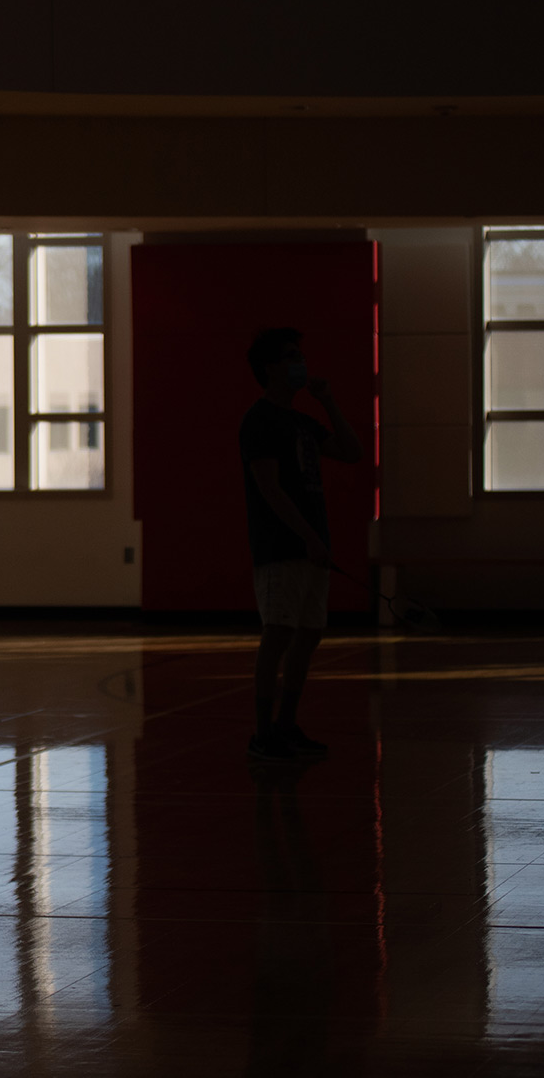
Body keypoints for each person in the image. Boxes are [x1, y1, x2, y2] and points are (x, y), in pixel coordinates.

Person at [239, 327, 362, 764]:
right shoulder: (259, 421)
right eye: (292, 357)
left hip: (313, 547)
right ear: (271, 367)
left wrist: (327, 401)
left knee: (309, 634)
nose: (301, 364)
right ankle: (262, 735)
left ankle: (287, 727)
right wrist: (308, 538)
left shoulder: (302, 421)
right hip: (280, 548)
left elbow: (352, 451)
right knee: (278, 634)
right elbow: (270, 490)